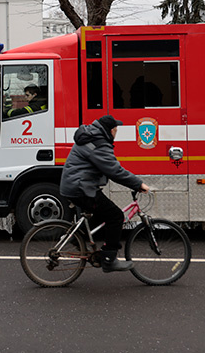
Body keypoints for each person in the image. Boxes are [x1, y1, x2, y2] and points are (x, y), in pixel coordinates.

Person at [59, 115, 151, 272]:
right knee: (115, 216)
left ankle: (78, 236)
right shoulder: (99, 143)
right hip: (80, 188)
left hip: (76, 186)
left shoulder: (91, 136)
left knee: (100, 214)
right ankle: (109, 259)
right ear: (111, 130)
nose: (116, 133)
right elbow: (114, 170)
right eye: (116, 129)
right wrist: (137, 183)